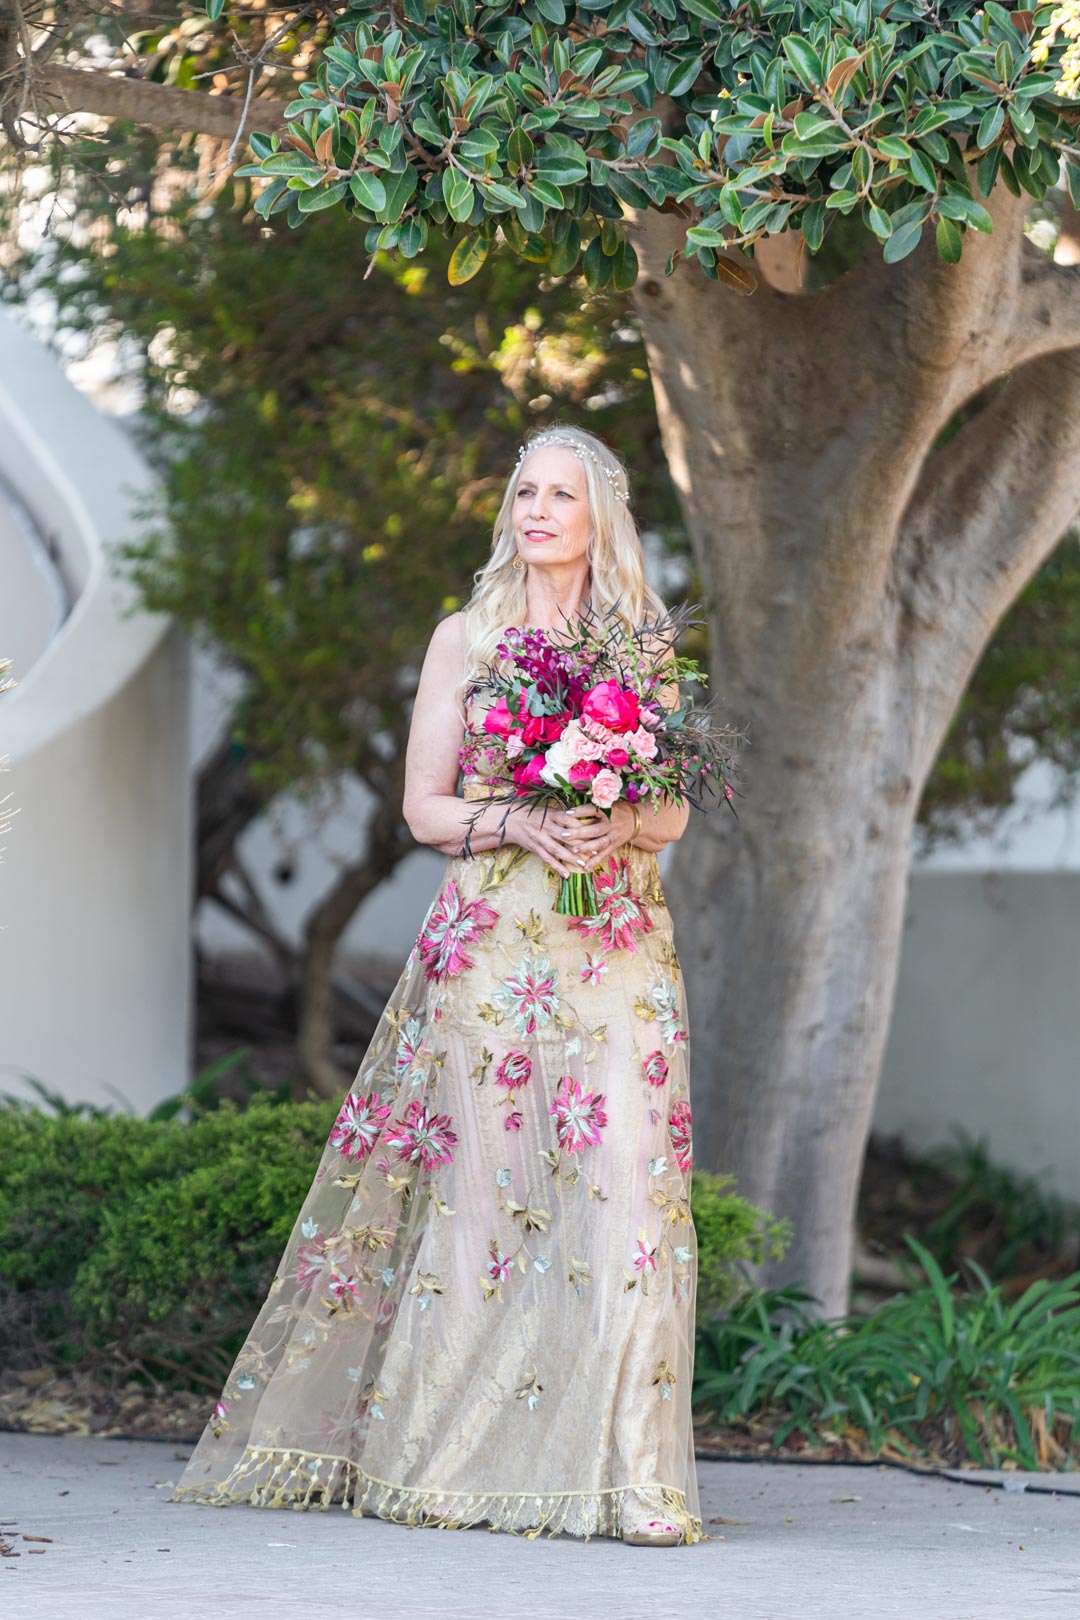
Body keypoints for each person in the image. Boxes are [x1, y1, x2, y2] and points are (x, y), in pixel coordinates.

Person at [169, 423, 705, 1547]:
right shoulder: (465, 636)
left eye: (562, 495)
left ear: (601, 516)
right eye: (525, 493)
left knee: (625, 1192)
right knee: (484, 1199)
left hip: (613, 949)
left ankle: (627, 1480)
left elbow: (674, 813)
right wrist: (522, 820)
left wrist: (612, 815)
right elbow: (424, 808)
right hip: (494, 946)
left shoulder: (640, 637)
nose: (538, 511)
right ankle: (450, 1466)